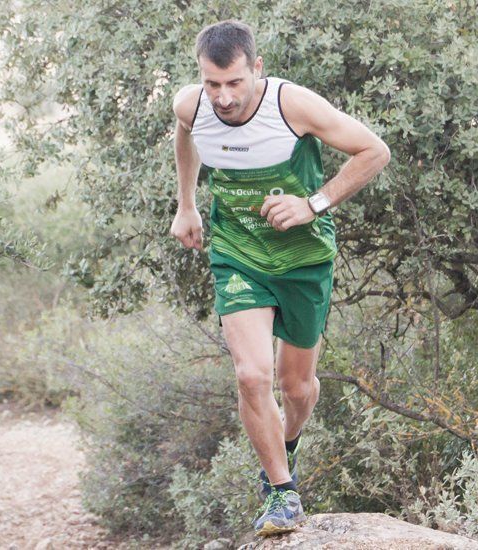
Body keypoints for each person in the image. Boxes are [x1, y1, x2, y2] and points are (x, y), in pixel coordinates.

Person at [170, 19, 391, 537]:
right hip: (236, 251)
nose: (222, 97)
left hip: (302, 257)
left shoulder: (292, 106)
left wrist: (314, 203)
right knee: (251, 375)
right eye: (212, 84)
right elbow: (186, 136)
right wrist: (186, 205)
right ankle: (282, 492)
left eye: (234, 83)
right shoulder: (190, 104)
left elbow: (374, 151)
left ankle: (286, 441)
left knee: (296, 388)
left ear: (257, 70)